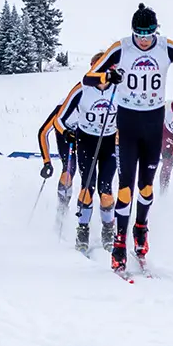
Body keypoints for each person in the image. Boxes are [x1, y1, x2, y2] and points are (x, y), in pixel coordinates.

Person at [86, 5, 173, 274]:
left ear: (156, 31)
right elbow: (89, 77)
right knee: (125, 187)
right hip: (128, 122)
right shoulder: (121, 47)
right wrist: (109, 76)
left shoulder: (166, 46)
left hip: (153, 124)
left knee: (145, 187)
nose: (143, 39)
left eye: (148, 33)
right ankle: (120, 241)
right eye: (139, 34)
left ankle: (141, 228)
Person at [39, 54, 119, 254]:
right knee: (87, 186)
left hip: (108, 142)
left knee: (106, 189)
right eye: (98, 69)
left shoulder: (120, 88)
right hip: (86, 141)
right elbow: (58, 120)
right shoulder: (82, 89)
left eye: (108, 69)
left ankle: (108, 230)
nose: (103, 74)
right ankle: (82, 230)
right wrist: (66, 133)